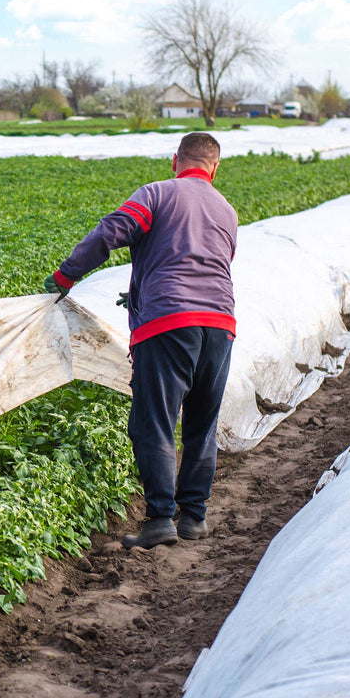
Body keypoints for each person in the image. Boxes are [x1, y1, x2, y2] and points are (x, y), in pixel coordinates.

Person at [44, 132, 238, 549]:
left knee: (155, 421)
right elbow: (203, 264)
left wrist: (65, 277)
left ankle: (160, 521)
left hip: (168, 323)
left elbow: (110, 233)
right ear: (215, 168)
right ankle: (194, 518)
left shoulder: (156, 194)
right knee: (202, 425)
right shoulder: (227, 211)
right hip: (221, 325)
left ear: (175, 161)